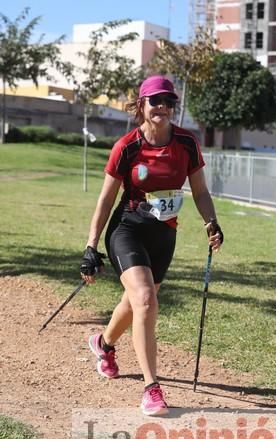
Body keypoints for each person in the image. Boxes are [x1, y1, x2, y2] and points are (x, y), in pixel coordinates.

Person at [80, 75, 223, 416]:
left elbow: (200, 190)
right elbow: (105, 199)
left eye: (168, 101)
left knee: (136, 302)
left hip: (164, 235)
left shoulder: (187, 143)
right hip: (127, 230)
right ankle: (151, 388)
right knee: (145, 299)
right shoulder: (127, 146)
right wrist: (90, 245)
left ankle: (104, 344)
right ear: (141, 105)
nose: (162, 107)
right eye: (155, 100)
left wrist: (211, 221)